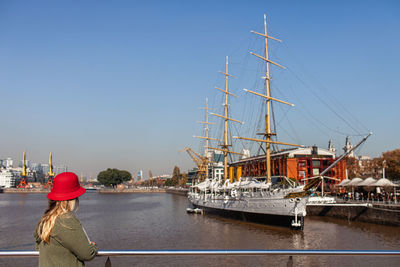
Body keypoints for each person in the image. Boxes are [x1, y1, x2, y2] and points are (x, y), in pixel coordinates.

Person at [34, 172, 98, 267]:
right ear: (73, 199)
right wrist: (93, 247)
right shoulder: (66, 220)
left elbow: (38, 246)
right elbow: (87, 254)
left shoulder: (46, 219)